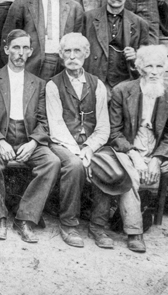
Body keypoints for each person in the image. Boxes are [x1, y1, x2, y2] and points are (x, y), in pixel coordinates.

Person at [0, 29, 60, 244]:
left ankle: (25, 218)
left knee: (52, 161)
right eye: (16, 47)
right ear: (6, 49)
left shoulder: (39, 83)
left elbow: (44, 121)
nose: (20, 53)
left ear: (31, 52)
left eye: (25, 48)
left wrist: (34, 142)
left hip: (28, 137)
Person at [109, 45, 168, 257]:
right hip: (128, 152)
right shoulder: (122, 91)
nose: (154, 71)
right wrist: (135, 155)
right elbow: (115, 133)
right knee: (130, 174)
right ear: (140, 67)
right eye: (149, 66)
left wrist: (156, 159)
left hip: (159, 154)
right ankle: (134, 232)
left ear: (165, 68)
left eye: (159, 66)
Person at [45, 33, 114, 249]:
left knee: (105, 164)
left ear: (86, 54)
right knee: (74, 166)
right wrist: (78, 152)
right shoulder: (53, 85)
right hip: (63, 144)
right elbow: (56, 126)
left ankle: (98, 226)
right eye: (67, 51)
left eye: (77, 51)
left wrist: (90, 148)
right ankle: (69, 224)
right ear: (61, 54)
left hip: (91, 145)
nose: (72, 56)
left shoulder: (97, 85)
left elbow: (104, 127)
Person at [2, 0, 84, 80]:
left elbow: (80, 44)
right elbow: (7, 40)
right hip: (30, 66)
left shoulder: (74, 7)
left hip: (63, 66)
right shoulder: (21, 5)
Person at [82, 0, 151, 89]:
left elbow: (146, 62)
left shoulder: (139, 24)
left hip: (125, 85)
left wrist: (136, 57)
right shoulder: (88, 19)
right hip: (94, 83)